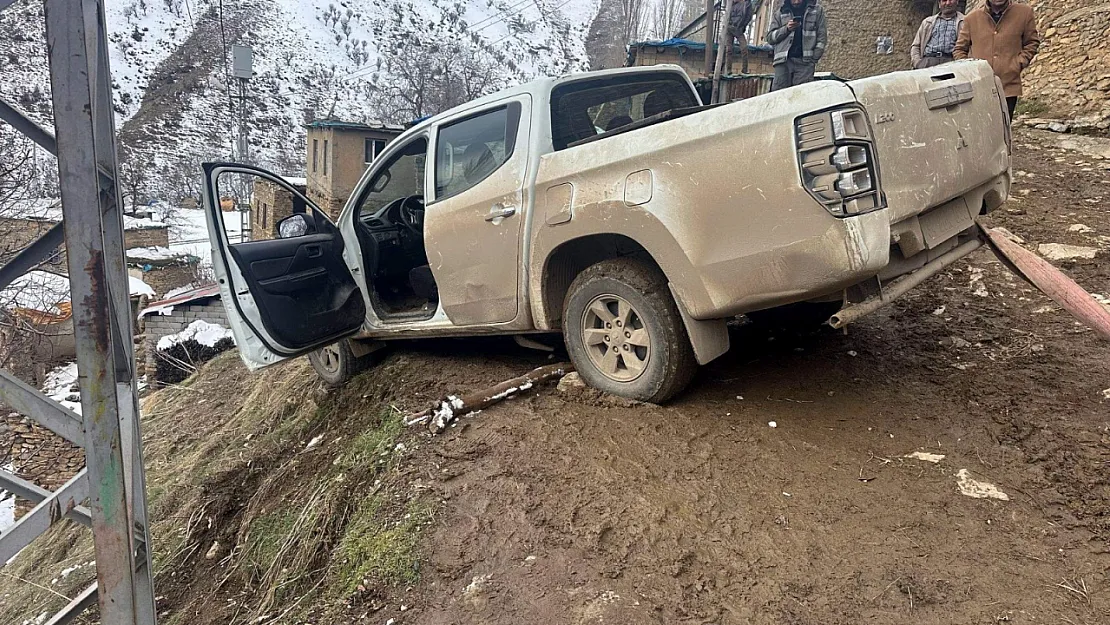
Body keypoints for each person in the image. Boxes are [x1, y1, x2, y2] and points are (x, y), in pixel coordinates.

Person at [954, 0, 1041, 119]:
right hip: (979, 87)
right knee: (981, 129)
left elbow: (1032, 42)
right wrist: (970, 71)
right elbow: (959, 50)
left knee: (1004, 129)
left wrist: (1018, 63)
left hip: (1008, 84)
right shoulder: (971, 19)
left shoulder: (1024, 13)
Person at [766, 0, 828, 92]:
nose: (796, 2)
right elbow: (770, 38)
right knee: (779, 97)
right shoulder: (780, 12)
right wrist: (786, 29)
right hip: (783, 63)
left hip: (805, 64)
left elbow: (822, 38)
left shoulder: (817, 11)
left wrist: (814, 58)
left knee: (801, 98)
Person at [910, 0, 965, 69]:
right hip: (928, 61)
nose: (948, 3)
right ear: (939, 3)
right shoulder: (927, 22)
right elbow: (916, 45)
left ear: (957, 1)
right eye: (944, 0)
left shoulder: (964, 22)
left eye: (951, 0)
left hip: (952, 62)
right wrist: (917, 63)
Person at [723, 0, 755, 74]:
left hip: (738, 29)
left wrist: (743, 26)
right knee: (729, 49)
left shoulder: (746, 4)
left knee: (744, 48)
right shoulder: (730, 4)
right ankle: (728, 70)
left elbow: (748, 16)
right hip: (730, 28)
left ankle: (744, 69)